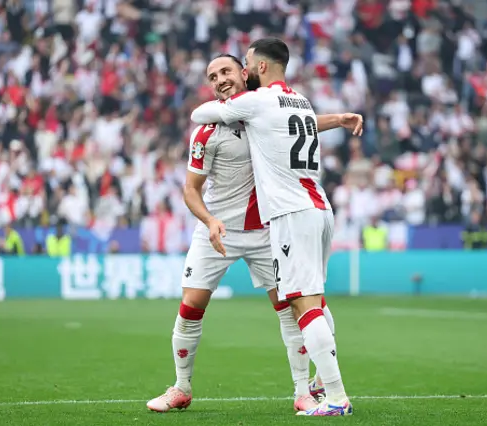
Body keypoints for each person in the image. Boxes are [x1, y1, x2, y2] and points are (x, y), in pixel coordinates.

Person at [147, 53, 363, 414]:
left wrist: (337, 120)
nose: (220, 79)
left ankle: (303, 392)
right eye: (212, 75)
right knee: (191, 306)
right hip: (218, 229)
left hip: (267, 230)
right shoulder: (208, 131)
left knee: (290, 308)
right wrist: (209, 220)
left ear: (244, 72)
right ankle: (181, 387)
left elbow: (299, 122)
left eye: (226, 71)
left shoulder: (263, 110)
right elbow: (190, 189)